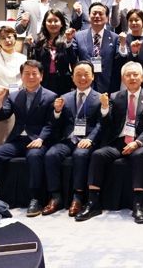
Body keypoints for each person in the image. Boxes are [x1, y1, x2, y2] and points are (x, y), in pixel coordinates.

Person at [76, 61, 143, 224]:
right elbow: (107, 124)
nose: (132, 78)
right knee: (98, 155)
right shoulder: (115, 97)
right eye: (128, 75)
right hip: (119, 142)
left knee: (139, 156)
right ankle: (93, 203)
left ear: (142, 77)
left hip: (141, 143)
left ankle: (138, 204)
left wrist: (137, 143)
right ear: (123, 78)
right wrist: (105, 108)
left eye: (135, 74)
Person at [0, 60, 57, 217]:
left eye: (34, 73)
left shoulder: (51, 96)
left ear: (41, 76)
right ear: (21, 76)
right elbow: (1, 116)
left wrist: (41, 139)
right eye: (26, 73)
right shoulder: (15, 95)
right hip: (17, 140)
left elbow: (50, 124)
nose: (30, 77)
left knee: (34, 156)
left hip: (38, 140)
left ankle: (35, 198)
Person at [44, 61, 103, 217]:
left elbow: (101, 124)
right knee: (51, 155)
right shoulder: (65, 97)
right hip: (68, 139)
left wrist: (90, 139)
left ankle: (78, 197)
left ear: (93, 77)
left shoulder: (100, 98)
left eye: (86, 74)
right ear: (72, 78)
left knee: (80, 154)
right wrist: (57, 112)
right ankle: (55, 197)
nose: (82, 78)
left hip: (87, 139)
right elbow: (55, 124)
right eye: (78, 75)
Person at [68, 3, 128, 93]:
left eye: (100, 13)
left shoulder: (115, 38)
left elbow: (119, 62)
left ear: (107, 18)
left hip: (108, 85)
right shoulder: (78, 36)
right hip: (85, 83)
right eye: (94, 13)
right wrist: (68, 41)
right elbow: (71, 58)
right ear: (89, 17)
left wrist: (123, 45)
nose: (97, 16)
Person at [28, 9, 73, 96]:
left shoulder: (67, 39)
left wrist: (68, 42)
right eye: (49, 21)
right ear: (45, 23)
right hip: (44, 83)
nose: (52, 24)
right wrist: (31, 46)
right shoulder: (38, 41)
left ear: (62, 23)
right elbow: (34, 63)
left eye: (56, 21)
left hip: (63, 84)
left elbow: (73, 60)